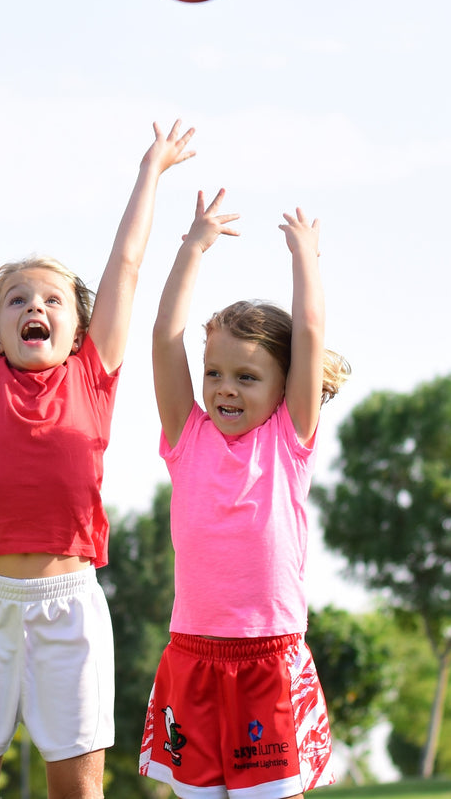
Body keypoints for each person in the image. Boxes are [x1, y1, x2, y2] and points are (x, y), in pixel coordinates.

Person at [0, 99, 195, 799]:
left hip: (70, 604)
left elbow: (126, 267)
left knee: (77, 789)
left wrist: (150, 171)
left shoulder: (91, 373)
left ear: (77, 328)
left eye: (50, 300)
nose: (32, 307)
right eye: (13, 300)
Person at [138, 190, 351, 799]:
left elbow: (309, 331)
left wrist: (305, 256)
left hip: (270, 659)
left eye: (247, 376)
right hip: (193, 658)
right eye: (214, 374)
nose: (224, 389)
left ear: (285, 386)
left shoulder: (289, 439)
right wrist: (193, 247)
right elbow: (163, 336)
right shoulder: (187, 435)